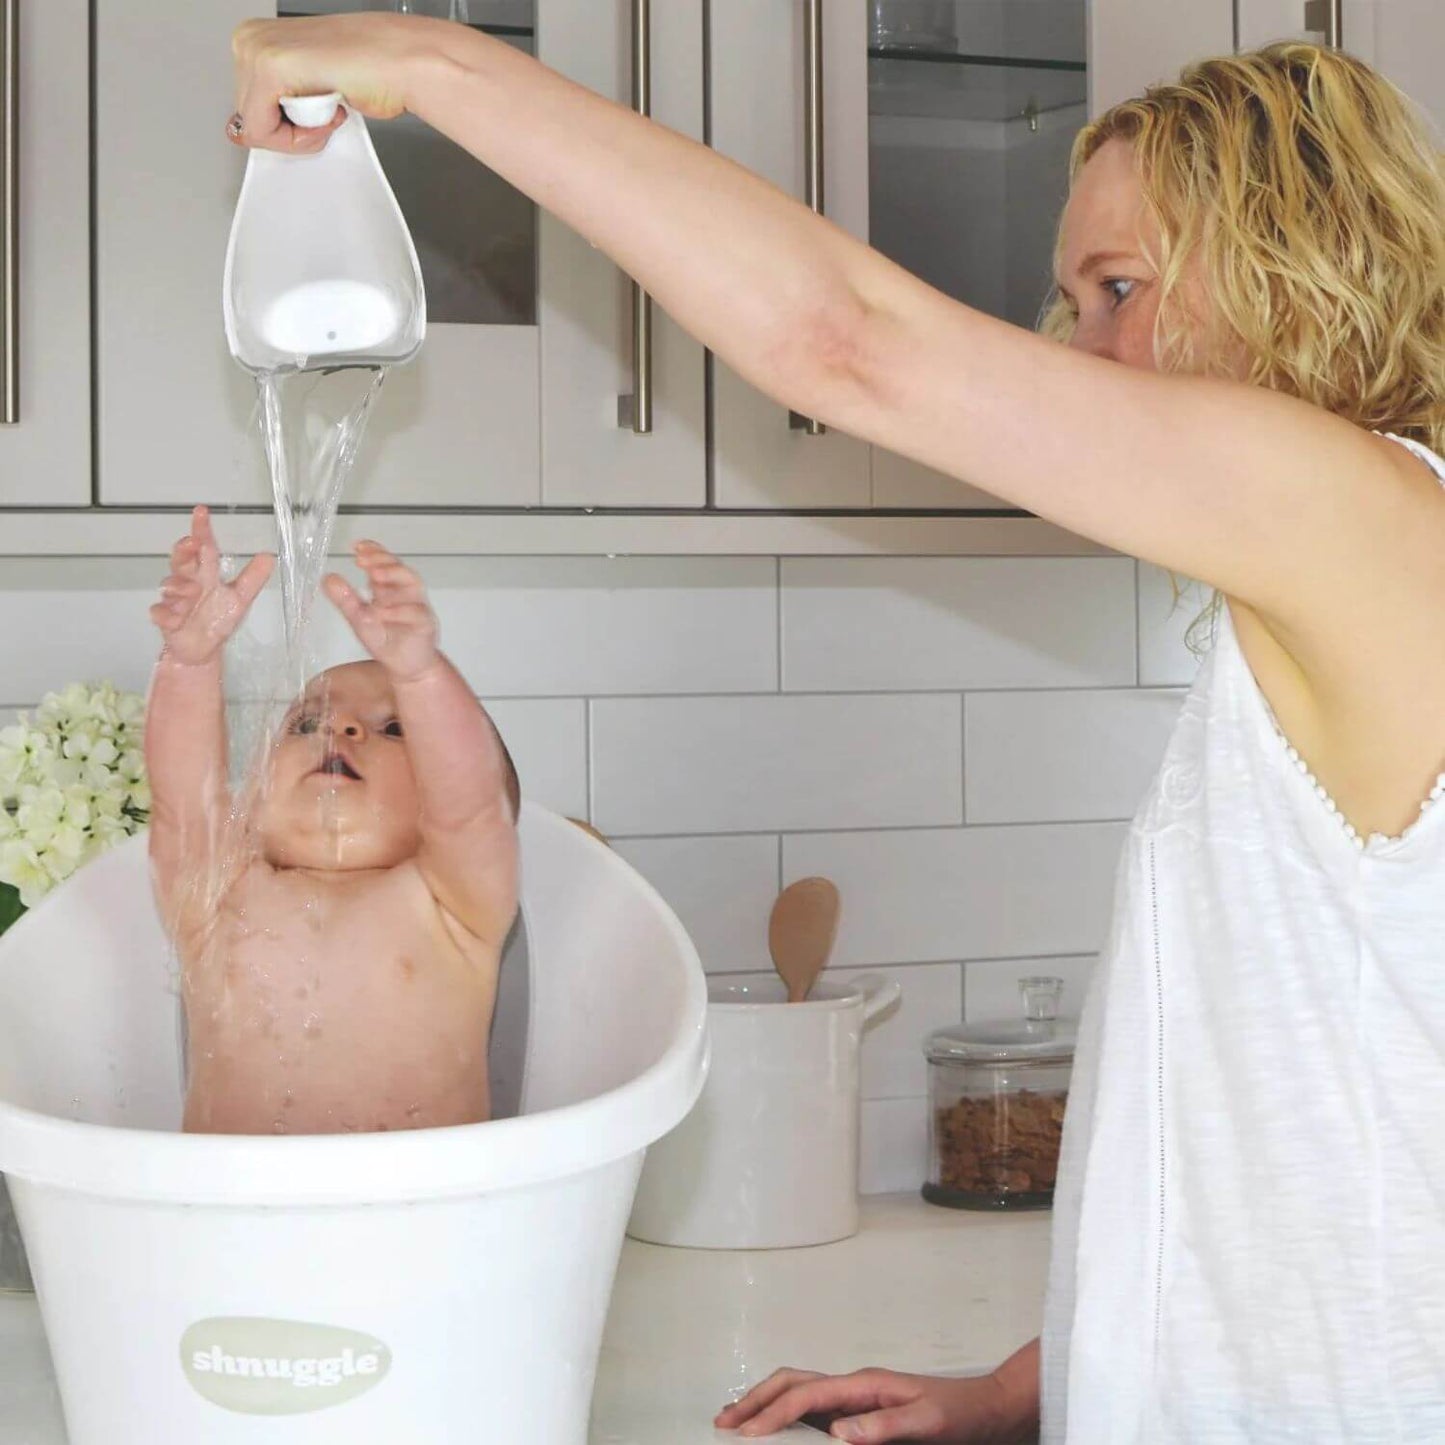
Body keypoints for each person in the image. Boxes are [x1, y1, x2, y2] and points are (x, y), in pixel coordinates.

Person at [228, 22, 1445, 1441]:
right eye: (1071, 303)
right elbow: (1281, 1129)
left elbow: (839, 341)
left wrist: (422, 64)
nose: (1083, 352)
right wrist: (1029, 1387)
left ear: (1297, 265)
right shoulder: (1330, 579)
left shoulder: (1362, 518)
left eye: (1120, 289)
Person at [146, 506, 520, 1135]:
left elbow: (471, 806)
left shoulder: (455, 907)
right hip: (229, 1219)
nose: (340, 729)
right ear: (253, 795)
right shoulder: (215, 898)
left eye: (394, 727)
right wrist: (189, 664)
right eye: (305, 722)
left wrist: (423, 675)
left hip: (423, 1217)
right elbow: (184, 799)